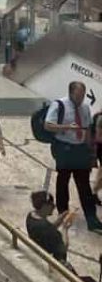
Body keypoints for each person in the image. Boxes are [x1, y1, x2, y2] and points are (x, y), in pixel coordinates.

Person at [45, 80, 102, 232]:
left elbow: (88, 127)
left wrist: (91, 150)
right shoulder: (59, 105)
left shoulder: (85, 108)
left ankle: (92, 219)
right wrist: (66, 127)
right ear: (71, 93)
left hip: (80, 149)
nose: (81, 98)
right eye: (78, 95)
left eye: (83, 95)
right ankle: (63, 214)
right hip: (64, 148)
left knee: (84, 185)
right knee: (63, 181)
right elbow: (48, 125)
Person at [25, 191, 73, 265]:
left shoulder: (31, 216)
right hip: (54, 262)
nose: (54, 206)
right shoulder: (44, 226)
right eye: (51, 204)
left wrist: (59, 221)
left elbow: (49, 230)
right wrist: (65, 228)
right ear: (44, 206)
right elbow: (63, 247)